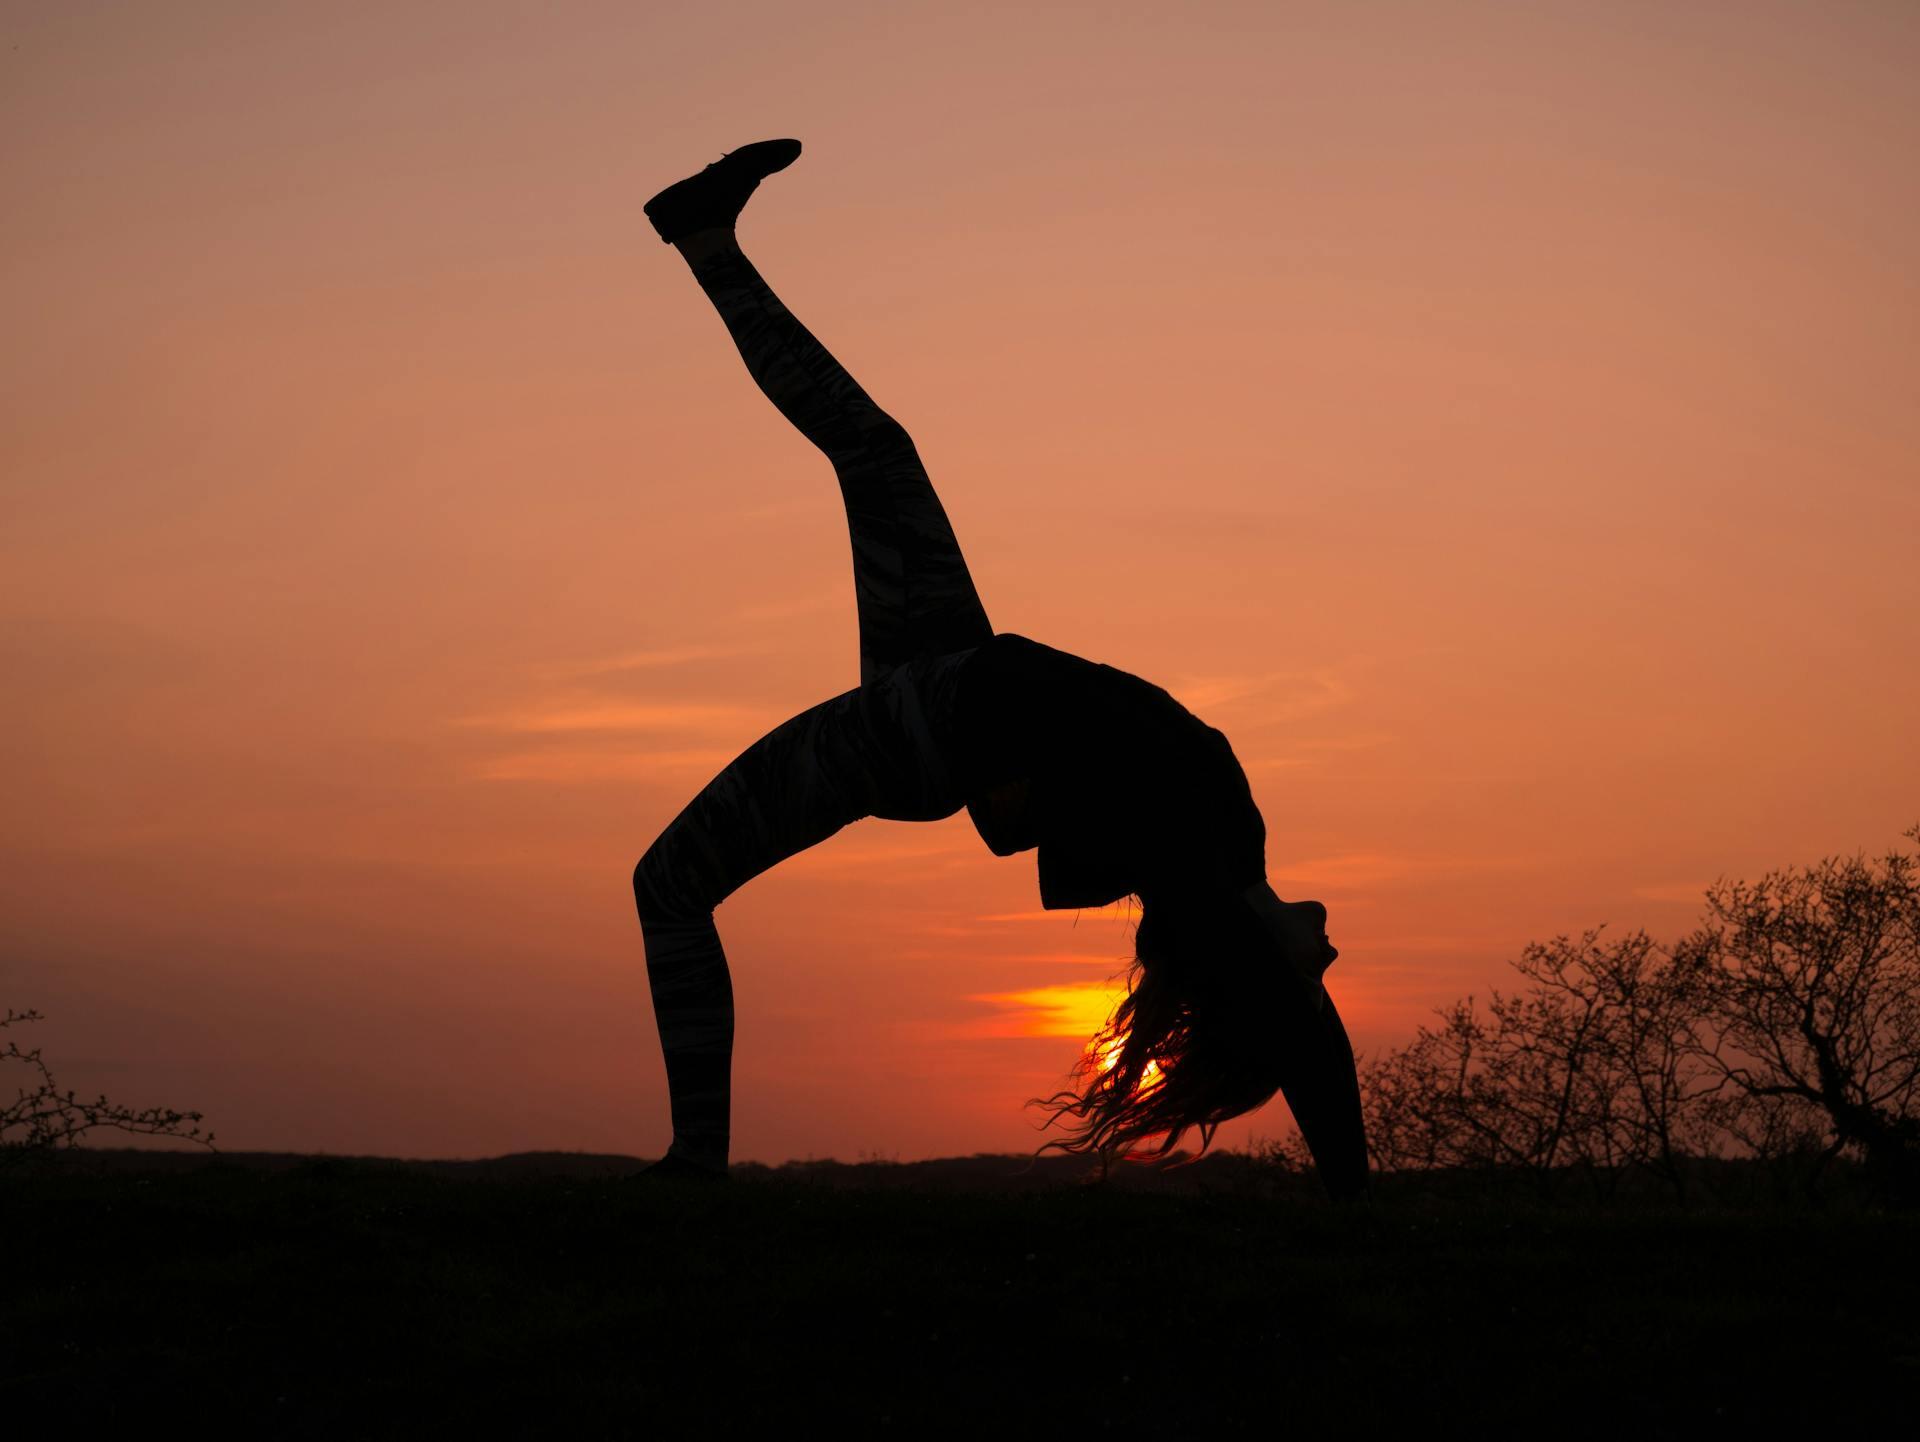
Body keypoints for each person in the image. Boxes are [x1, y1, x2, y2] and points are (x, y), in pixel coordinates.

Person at [631, 140, 1369, 1199]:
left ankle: (696, 1162)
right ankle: (704, 234)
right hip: (956, 668)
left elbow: (1307, 1041)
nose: (1334, 955)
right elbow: (1022, 825)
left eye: (1313, 971)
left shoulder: (1205, 882)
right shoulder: (1235, 838)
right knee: (879, 450)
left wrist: (1351, 1192)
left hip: (920, 728)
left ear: (1255, 970)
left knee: (669, 884)